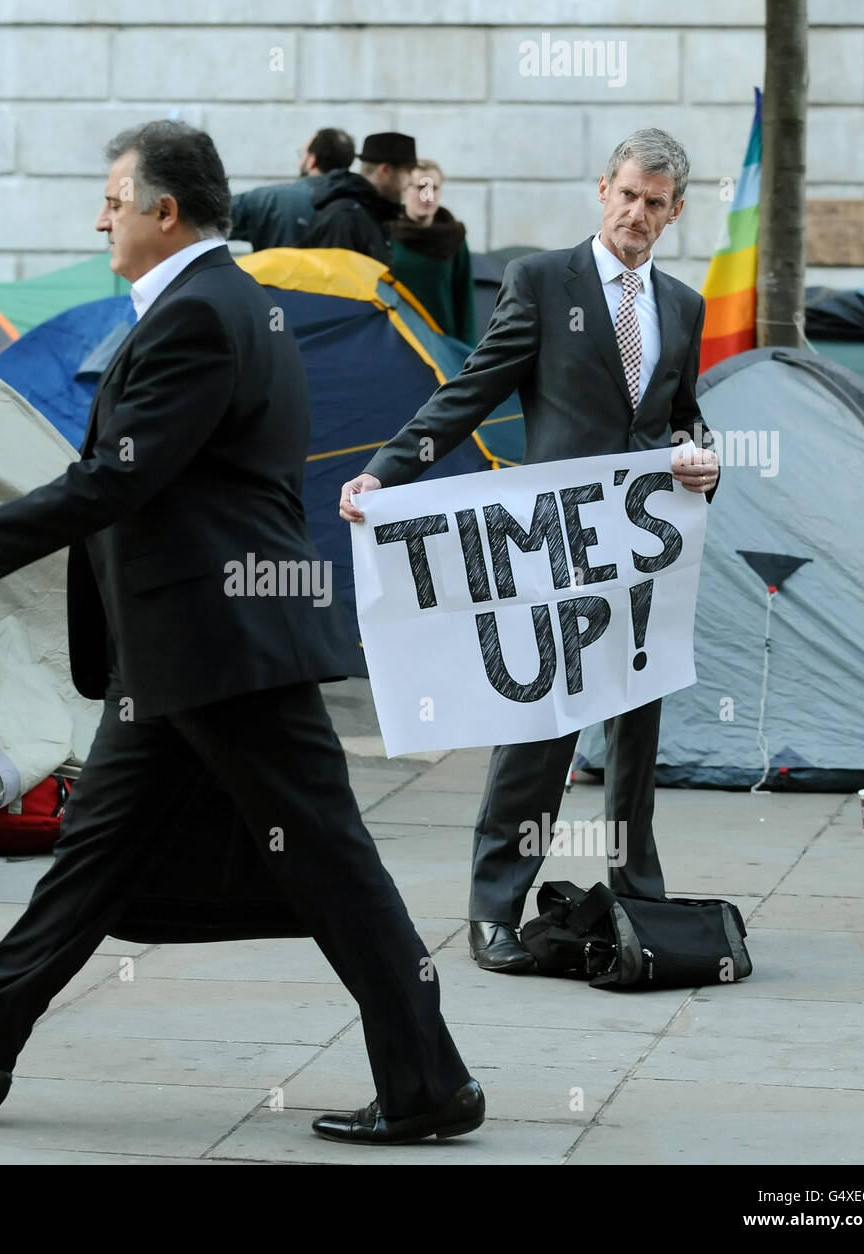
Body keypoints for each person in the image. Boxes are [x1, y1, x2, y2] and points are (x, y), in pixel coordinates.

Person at [0, 120, 482, 1146]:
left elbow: (118, 477)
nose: (98, 217)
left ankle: (430, 1083)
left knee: (333, 864)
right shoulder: (223, 302)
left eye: (113, 198)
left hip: (223, 645)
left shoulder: (201, 313)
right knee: (95, 853)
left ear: (164, 211)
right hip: (183, 648)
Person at [339, 128, 721, 975]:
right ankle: (494, 906)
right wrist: (384, 475)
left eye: (655, 203)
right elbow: (470, 392)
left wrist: (703, 455)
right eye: (627, 194)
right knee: (537, 731)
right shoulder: (544, 282)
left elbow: (681, 415)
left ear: (676, 212)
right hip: (552, 549)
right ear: (603, 189)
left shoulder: (684, 307)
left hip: (642, 554)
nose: (637, 213)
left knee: (636, 732)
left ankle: (640, 895)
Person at [389, 158, 478, 343]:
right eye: (421, 187)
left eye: (434, 188)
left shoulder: (454, 238)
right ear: (405, 189)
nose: (427, 195)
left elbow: (465, 302)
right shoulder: (387, 234)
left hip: (443, 345)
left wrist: (468, 354)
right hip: (397, 340)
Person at [229, 127, 354, 251]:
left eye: (303, 153)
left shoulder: (268, 200)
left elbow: (215, 217)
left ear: (312, 160)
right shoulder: (361, 204)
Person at [301, 131, 415, 265]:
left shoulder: (372, 214)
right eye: (408, 172)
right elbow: (336, 281)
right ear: (386, 170)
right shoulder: (345, 217)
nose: (411, 181)